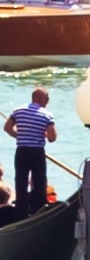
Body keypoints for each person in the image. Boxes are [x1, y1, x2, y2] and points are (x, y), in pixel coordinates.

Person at [4, 87, 57, 218]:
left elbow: (7, 128)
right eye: (47, 98)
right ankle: (38, 211)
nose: (48, 101)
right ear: (40, 98)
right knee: (39, 182)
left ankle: (21, 212)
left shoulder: (18, 110)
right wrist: (44, 134)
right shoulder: (46, 115)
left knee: (21, 181)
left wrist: (20, 136)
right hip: (37, 152)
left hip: (22, 150)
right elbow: (52, 138)